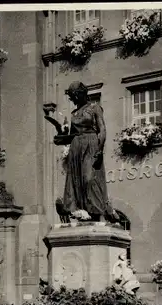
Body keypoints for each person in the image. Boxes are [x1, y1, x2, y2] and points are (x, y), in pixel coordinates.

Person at [47, 81, 109, 221]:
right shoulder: (74, 113)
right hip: (76, 148)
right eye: (71, 97)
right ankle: (81, 212)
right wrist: (60, 138)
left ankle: (95, 212)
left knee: (89, 179)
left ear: (81, 94)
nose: (72, 99)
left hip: (91, 145)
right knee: (76, 181)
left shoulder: (95, 108)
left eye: (74, 96)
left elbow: (102, 129)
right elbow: (72, 135)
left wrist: (100, 149)